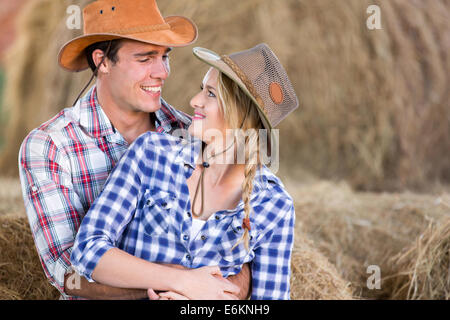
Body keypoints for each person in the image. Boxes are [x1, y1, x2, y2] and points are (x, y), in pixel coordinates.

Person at [18, 0, 250, 300]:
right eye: (145, 58)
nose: (162, 72)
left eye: (165, 57)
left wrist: (219, 291)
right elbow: (67, 273)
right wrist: (176, 283)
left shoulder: (196, 135)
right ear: (101, 61)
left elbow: (247, 247)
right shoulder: (50, 147)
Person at [71, 43, 299, 300]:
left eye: (210, 94)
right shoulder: (152, 153)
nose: (194, 101)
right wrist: (182, 281)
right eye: (201, 90)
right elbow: (88, 251)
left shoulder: (274, 205)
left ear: (241, 115)